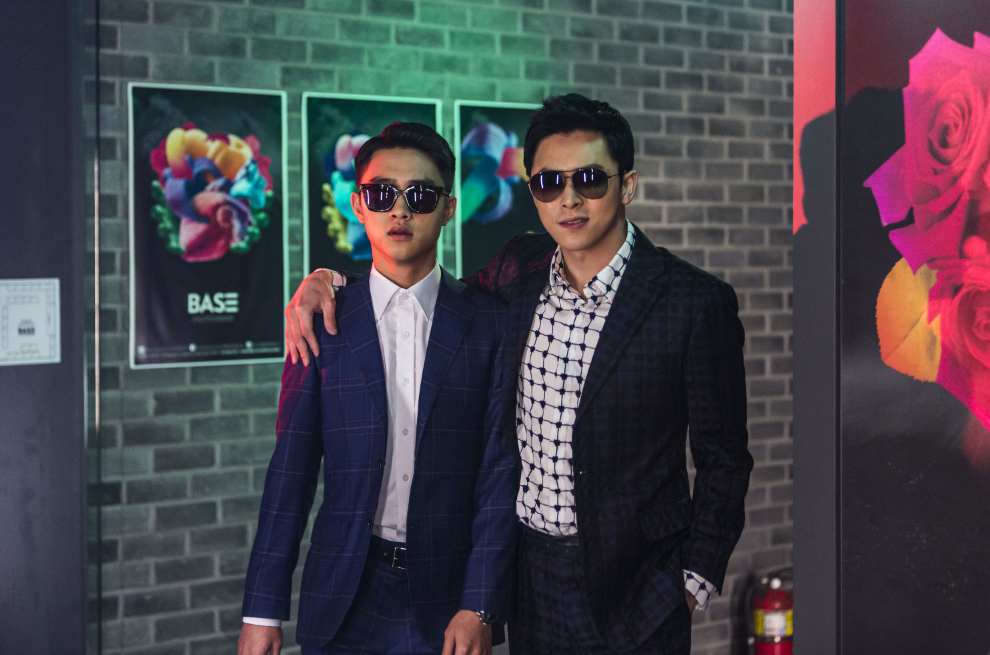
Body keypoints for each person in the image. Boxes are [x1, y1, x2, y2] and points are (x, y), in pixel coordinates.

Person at [284, 94, 753, 654]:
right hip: (530, 582)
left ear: (627, 185)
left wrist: (693, 579)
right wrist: (329, 281)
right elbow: (427, 296)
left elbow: (725, 457)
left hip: (640, 587)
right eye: (549, 183)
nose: (569, 200)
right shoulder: (517, 271)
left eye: (589, 180)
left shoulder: (693, 302)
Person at [239, 122, 518, 655]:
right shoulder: (322, 319)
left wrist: (480, 603)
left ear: (448, 208)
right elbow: (291, 470)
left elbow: (499, 474)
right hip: (344, 592)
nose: (400, 210)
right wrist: (262, 609)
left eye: (420, 195)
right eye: (381, 194)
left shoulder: (489, 323)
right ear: (358, 204)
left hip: (447, 599)